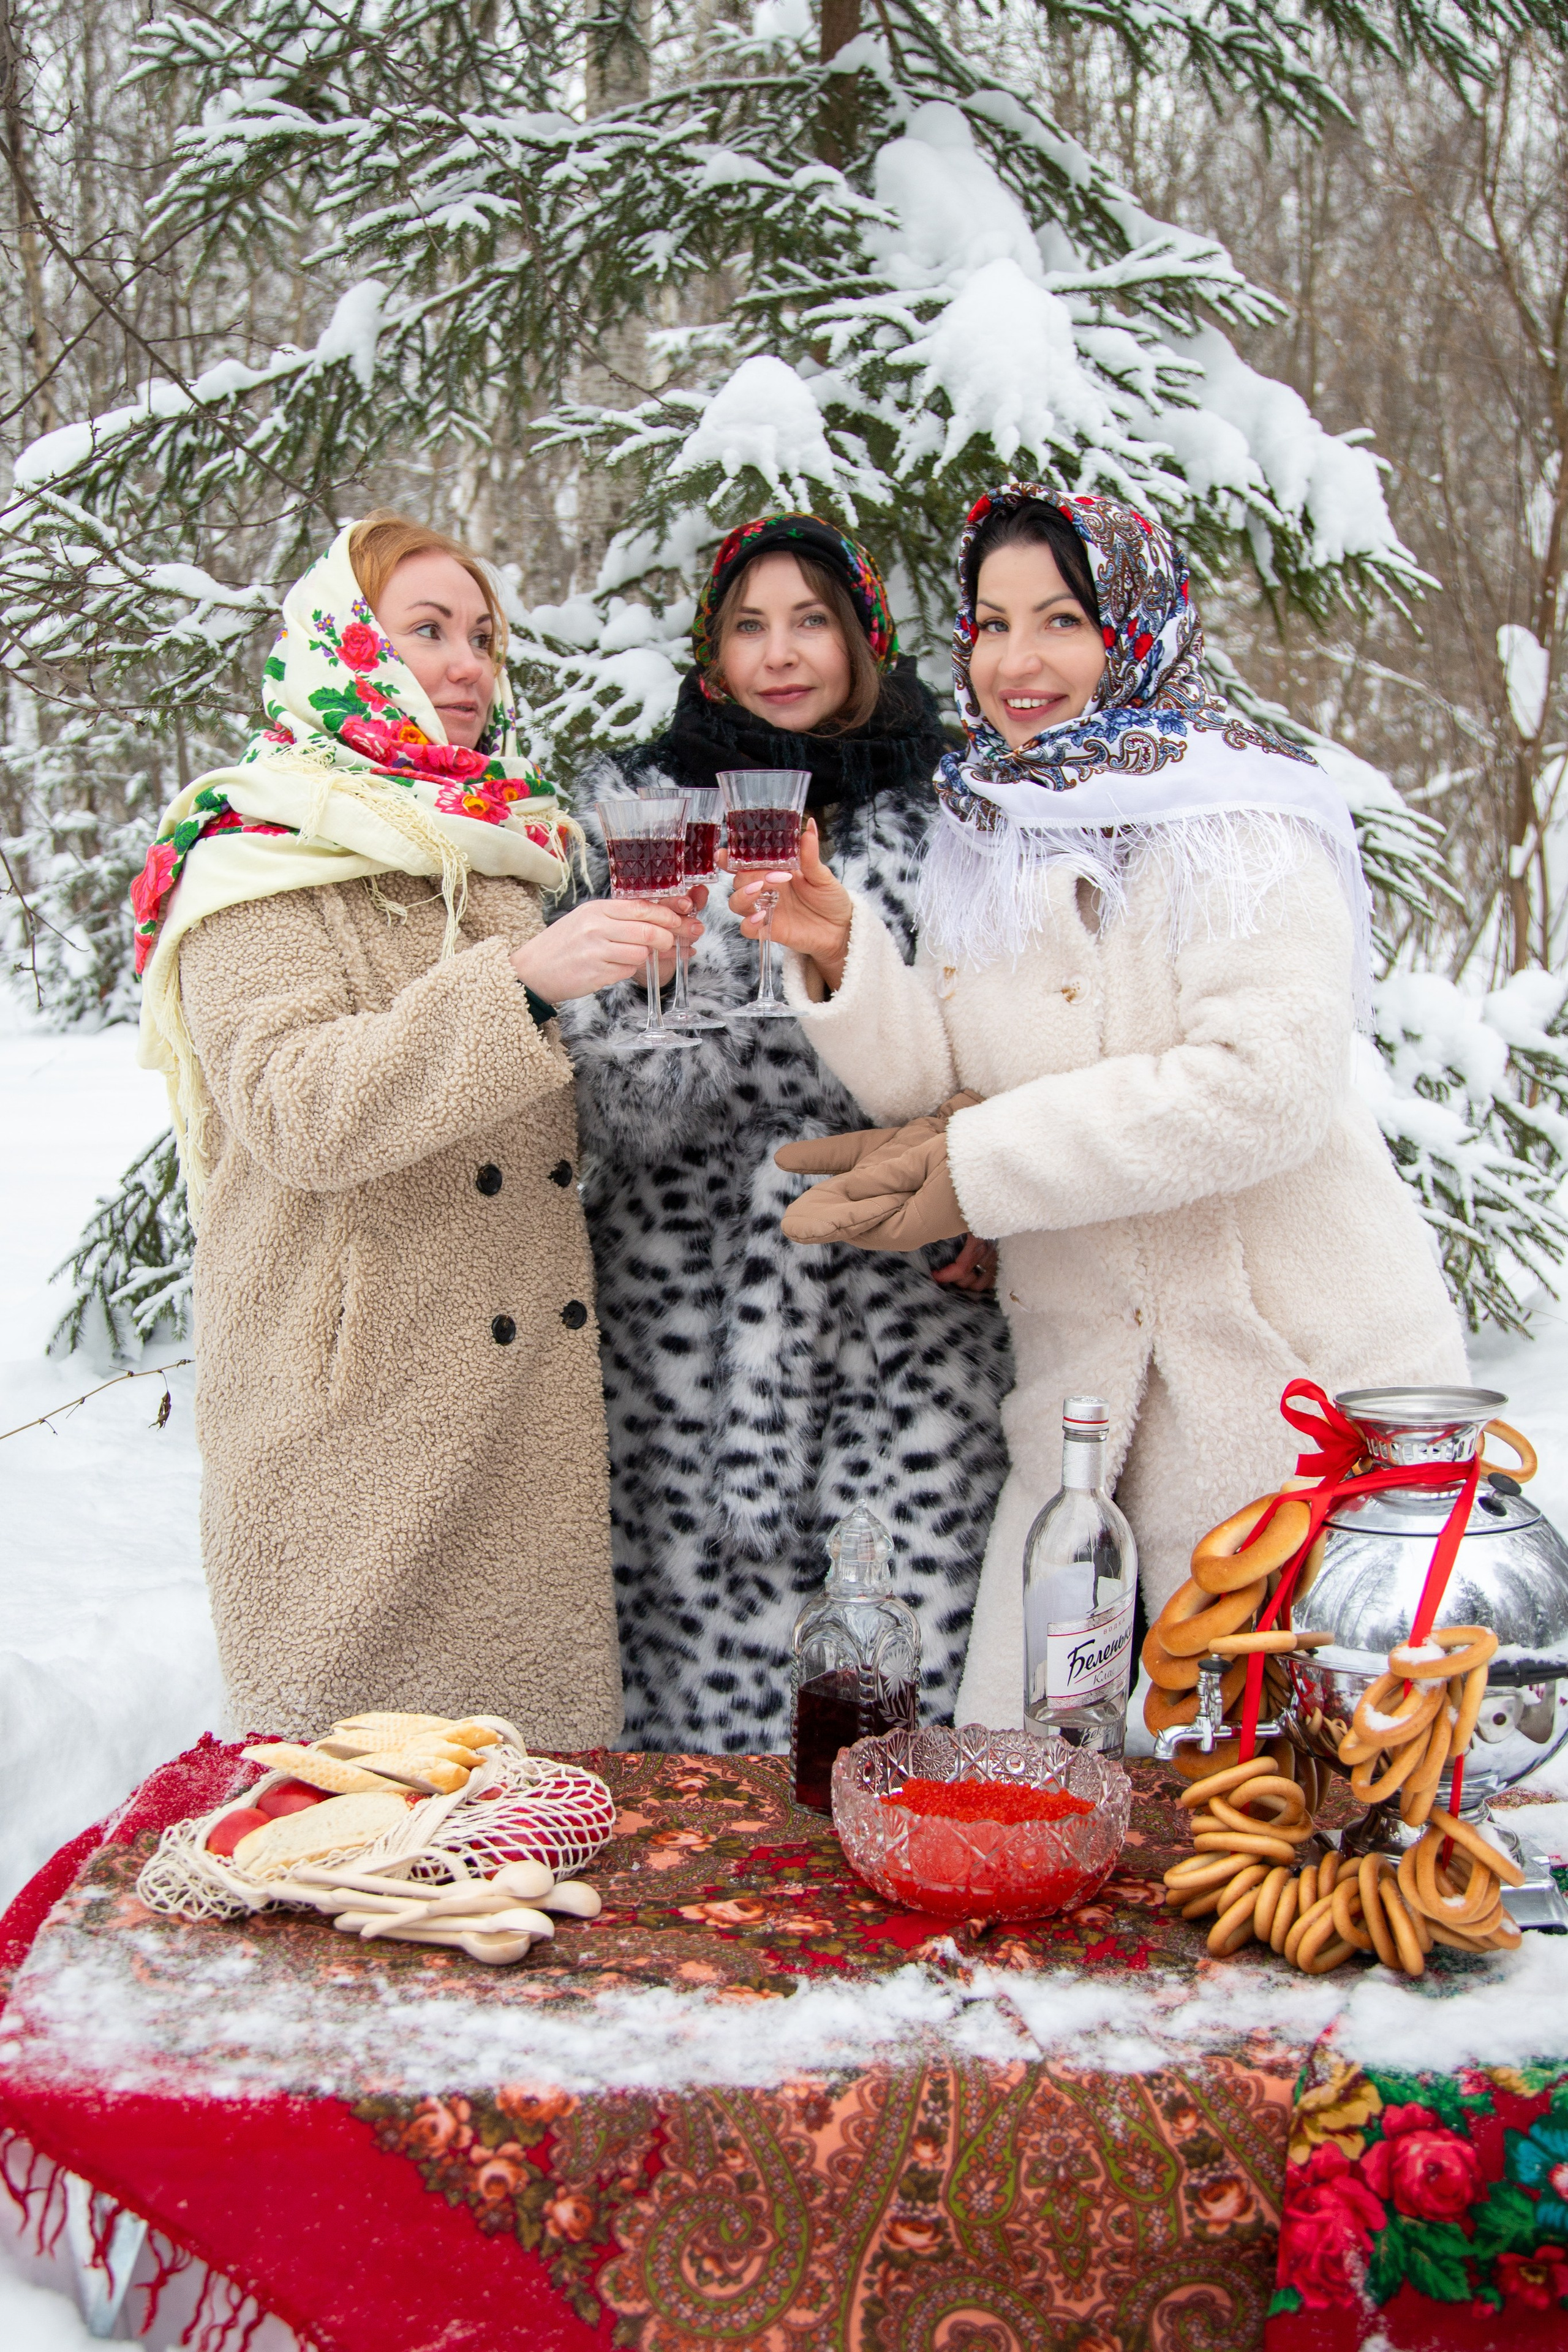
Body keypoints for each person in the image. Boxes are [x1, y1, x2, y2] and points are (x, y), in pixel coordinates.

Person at [741, 485, 1469, 1727]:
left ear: (1135, 630)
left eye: (1062, 620)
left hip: (1289, 1393)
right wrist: (842, 951)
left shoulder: (1242, 820)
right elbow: (948, 1089)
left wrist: (977, 1163)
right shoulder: (991, 830)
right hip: (1082, 1409)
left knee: (1301, 1802)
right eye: (991, 623)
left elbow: (1264, 1087)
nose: (1015, 662)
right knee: (1014, 1783)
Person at [132, 511, 702, 1741]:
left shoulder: (505, 847)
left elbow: (545, 1123)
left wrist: (657, 1004)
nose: (465, 665)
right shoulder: (250, 849)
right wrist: (522, 986)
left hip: (520, 1416)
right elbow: (295, 1107)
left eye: (483, 638)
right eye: (427, 631)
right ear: (343, 648)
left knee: (528, 1812)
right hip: (355, 1428)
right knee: (351, 1806)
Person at [560, 514, 1014, 1751]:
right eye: (748, 624)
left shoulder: (959, 817)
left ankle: (894, 1839)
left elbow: (1005, 1040)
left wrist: (984, 1188)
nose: (779, 653)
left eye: (811, 619)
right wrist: (666, 985)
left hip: (898, 1283)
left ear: (863, 637)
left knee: (900, 1635)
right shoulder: (639, 813)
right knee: (687, 1644)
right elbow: (605, 1107)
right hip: (681, 1303)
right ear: (712, 650)